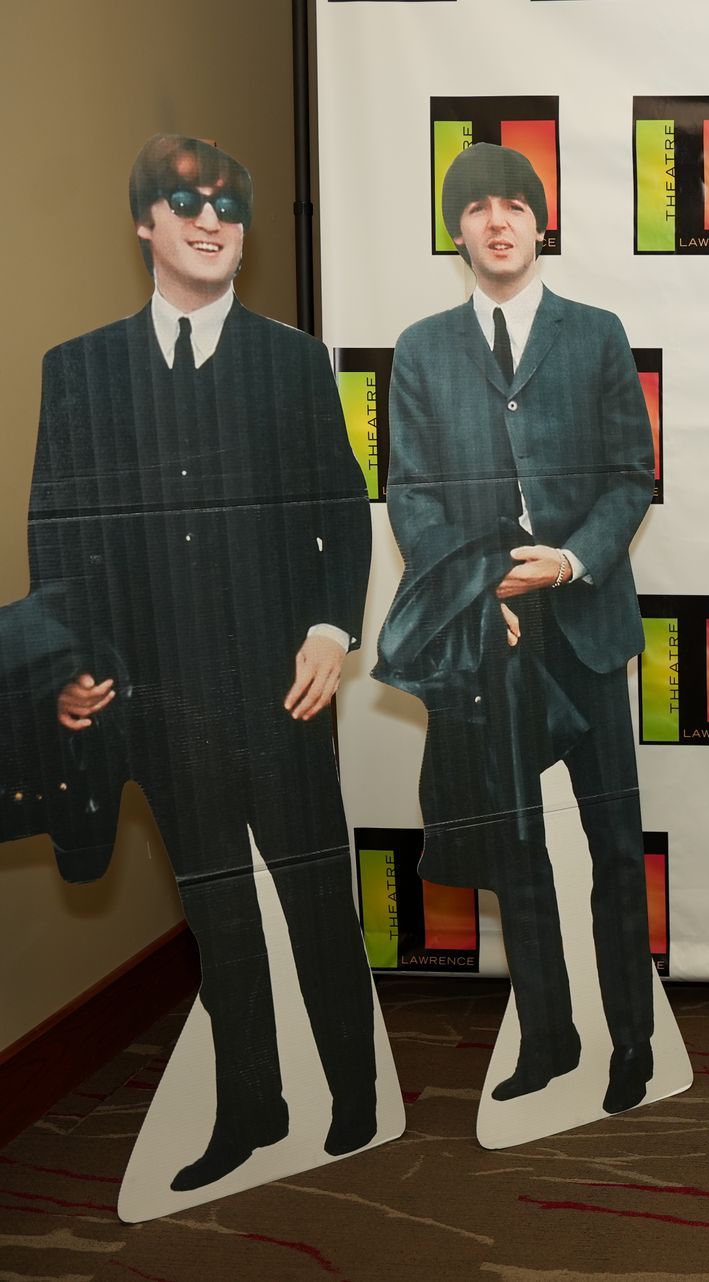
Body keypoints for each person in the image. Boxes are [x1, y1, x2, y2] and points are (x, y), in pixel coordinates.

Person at [27, 134, 379, 1191]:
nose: (213, 219)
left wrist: (332, 630)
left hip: (284, 693)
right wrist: (73, 664)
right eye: (186, 202)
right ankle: (252, 1110)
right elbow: (57, 538)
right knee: (219, 916)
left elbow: (341, 510)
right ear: (145, 222)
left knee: (316, 901)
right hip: (159, 703)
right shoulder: (80, 370)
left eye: (230, 205)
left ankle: (357, 1097)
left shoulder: (292, 360)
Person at [375, 143, 657, 1116]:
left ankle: (631, 1043)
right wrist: (472, 586)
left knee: (615, 846)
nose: (497, 221)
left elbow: (631, 476)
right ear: (457, 231)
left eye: (515, 206)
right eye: (477, 208)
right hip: (487, 629)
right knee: (519, 847)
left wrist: (571, 561)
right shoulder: (421, 348)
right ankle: (549, 1039)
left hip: (584, 621)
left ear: (541, 224)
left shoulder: (598, 334)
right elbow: (410, 492)